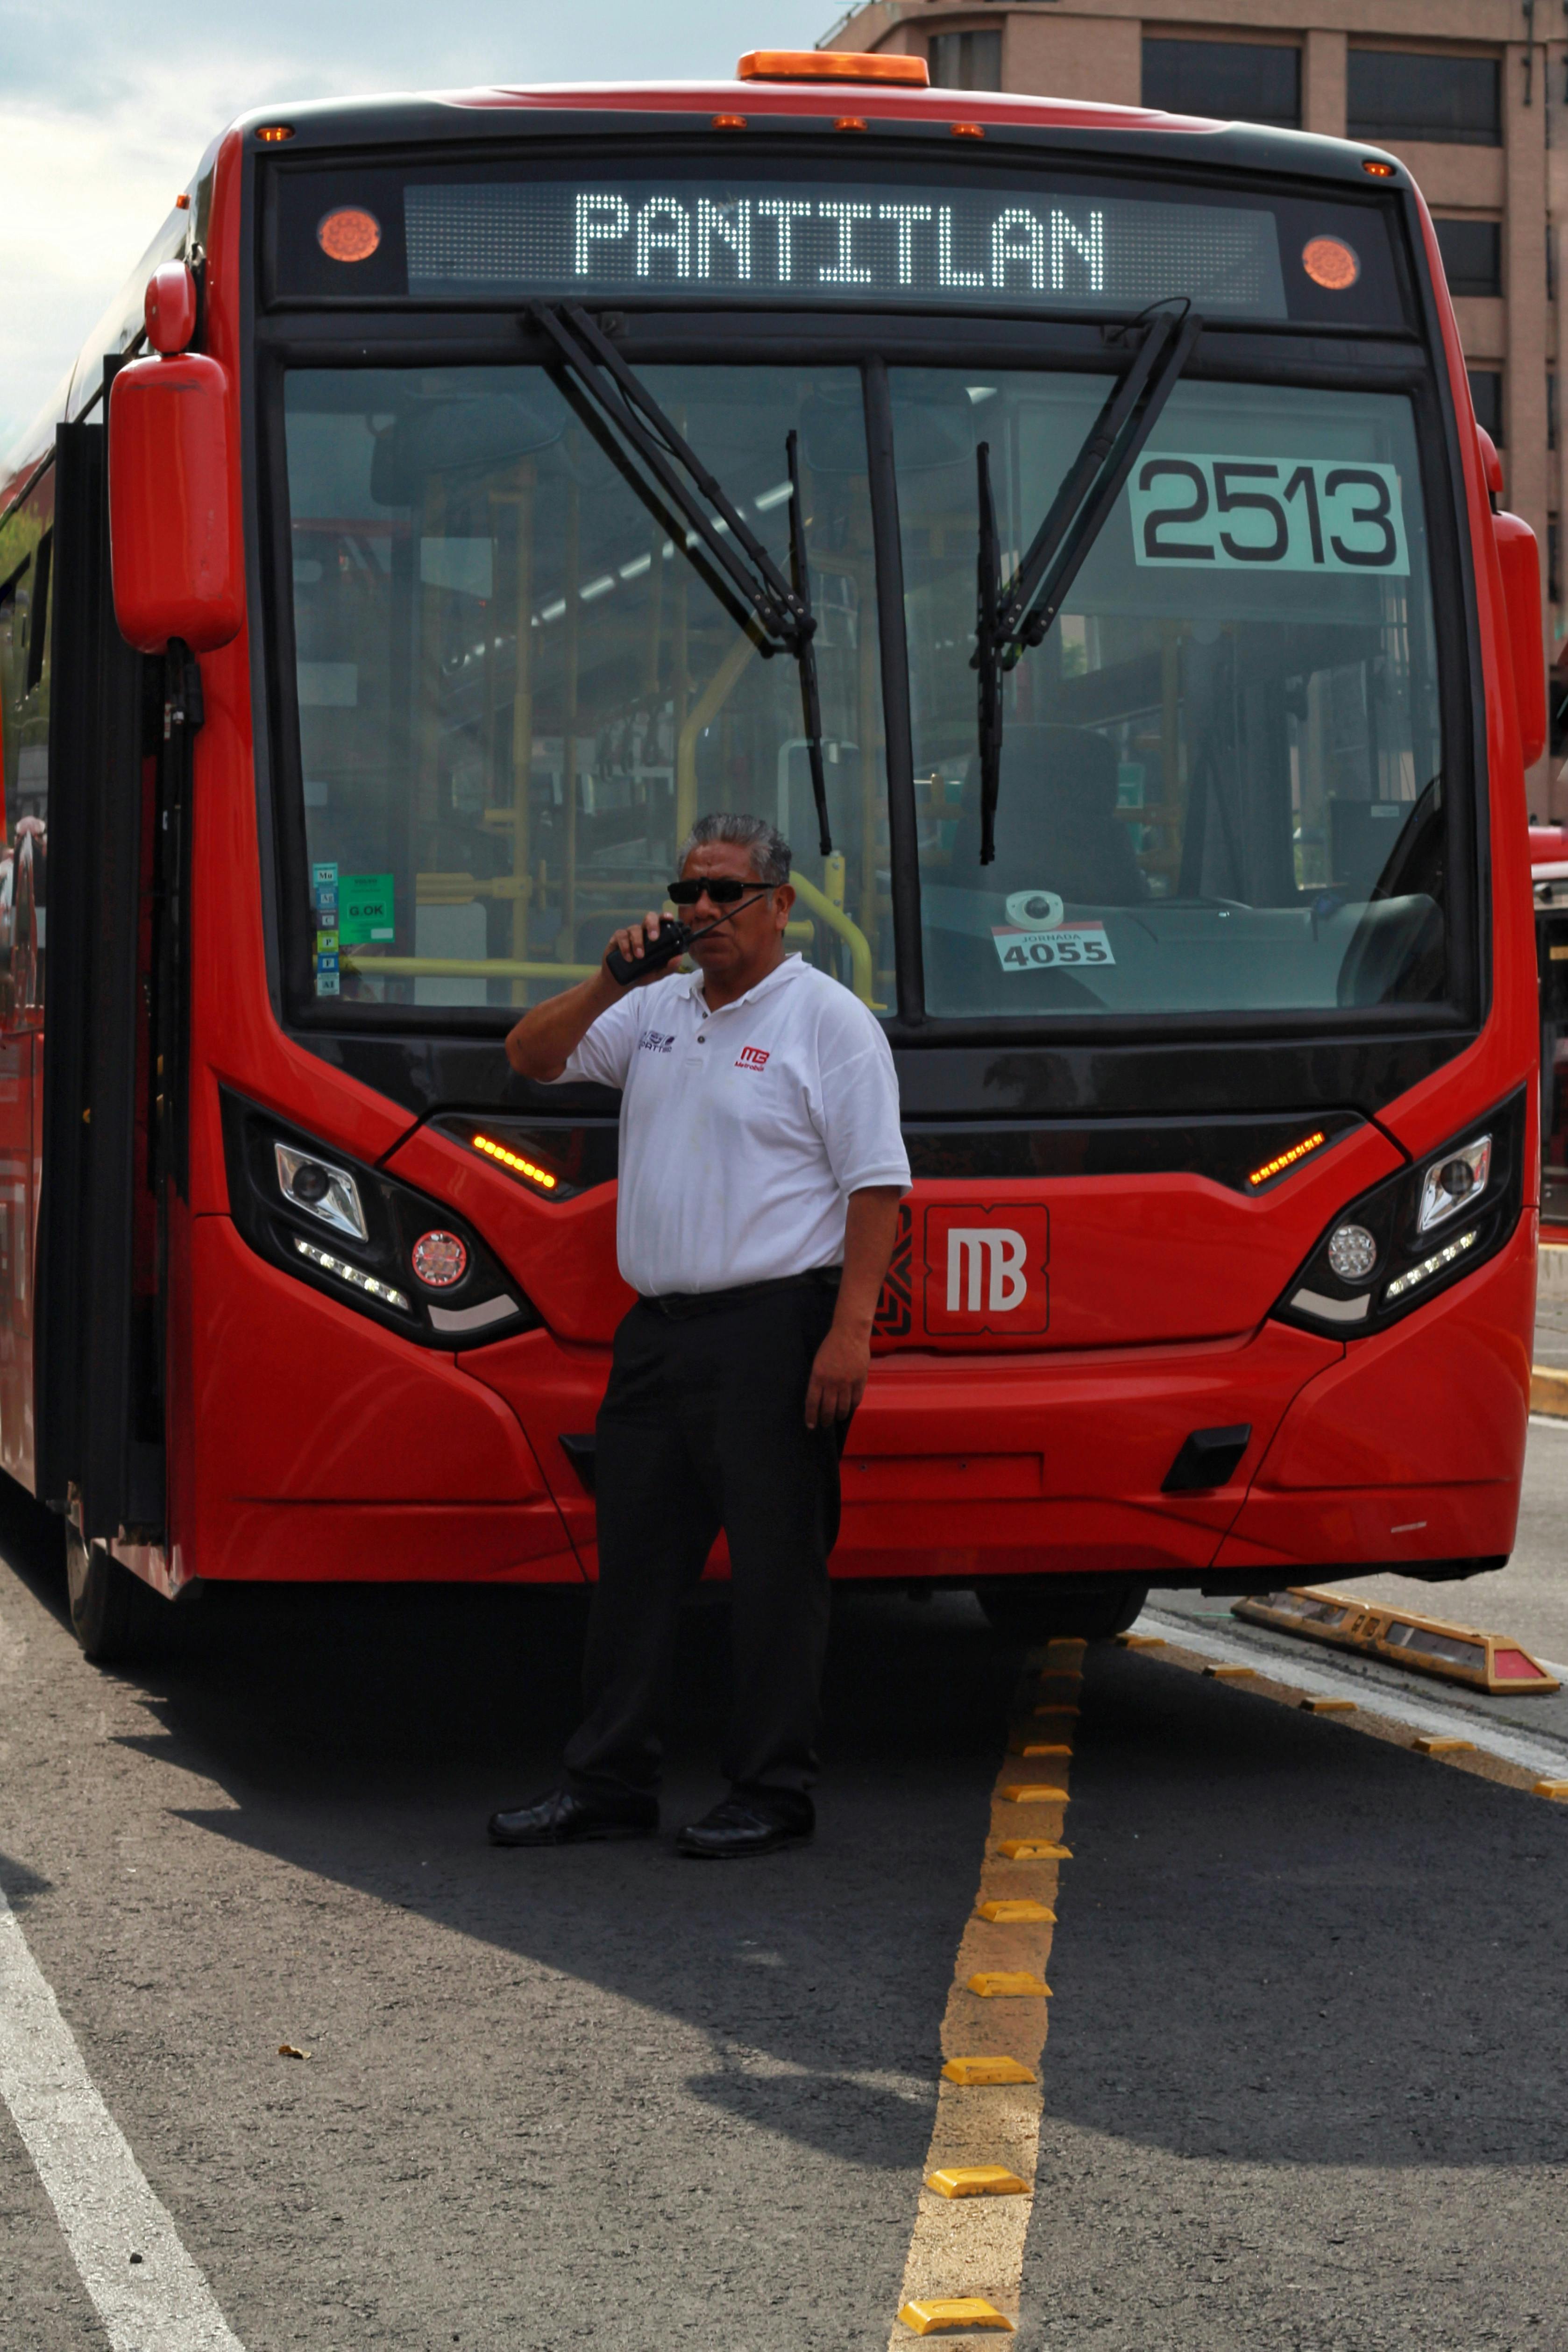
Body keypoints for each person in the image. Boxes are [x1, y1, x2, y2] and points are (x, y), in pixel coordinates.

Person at [487, 813, 909, 1859]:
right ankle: (607, 1783)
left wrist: (848, 1334)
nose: (703, 914)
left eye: (725, 894)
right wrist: (608, 982)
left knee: (774, 1574)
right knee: (632, 1569)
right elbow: (528, 1057)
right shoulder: (657, 1008)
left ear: (780, 905)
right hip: (658, 1333)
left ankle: (770, 1791)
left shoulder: (828, 1020)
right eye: (688, 896)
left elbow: (877, 1188)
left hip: (774, 1326)